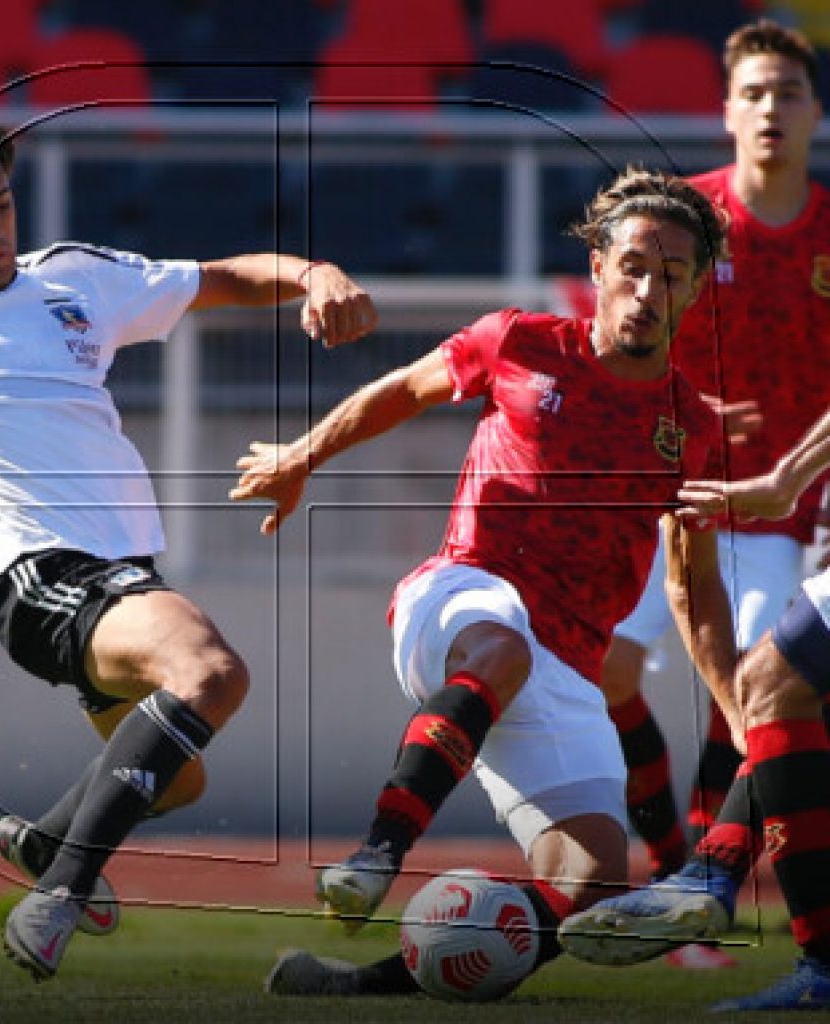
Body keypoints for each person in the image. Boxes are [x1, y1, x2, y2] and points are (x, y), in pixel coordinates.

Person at [0, 102, 377, 981]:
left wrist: (315, 272)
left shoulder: (75, 276)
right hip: (34, 578)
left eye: (1, 203)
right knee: (211, 674)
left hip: (122, 578)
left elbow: (223, 277)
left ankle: (44, 842)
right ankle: (62, 892)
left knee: (176, 779)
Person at [230, 167, 735, 996]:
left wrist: (742, 707)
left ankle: (360, 987)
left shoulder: (696, 429)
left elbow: (694, 586)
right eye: (635, 264)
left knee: (594, 879)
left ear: (694, 291)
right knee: (504, 646)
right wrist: (300, 458)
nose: (649, 288)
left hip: (566, 665)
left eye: (673, 273)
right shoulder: (520, 341)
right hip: (464, 594)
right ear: (600, 266)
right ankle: (377, 854)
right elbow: (404, 390)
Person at [601, 21, 830, 952]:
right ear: (726, 110)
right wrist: (689, 405)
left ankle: (712, 880)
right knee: (612, 671)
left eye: (788, 91)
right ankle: (675, 866)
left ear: (815, 112)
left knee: (758, 684)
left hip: (783, 515)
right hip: (675, 500)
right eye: (755, 92)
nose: (771, 107)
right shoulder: (683, 225)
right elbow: (613, 349)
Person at [559, 406, 830, 1012]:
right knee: (784, 688)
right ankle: (708, 873)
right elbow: (687, 580)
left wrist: (788, 480)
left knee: (774, 684)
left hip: (775, 527)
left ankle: (717, 878)